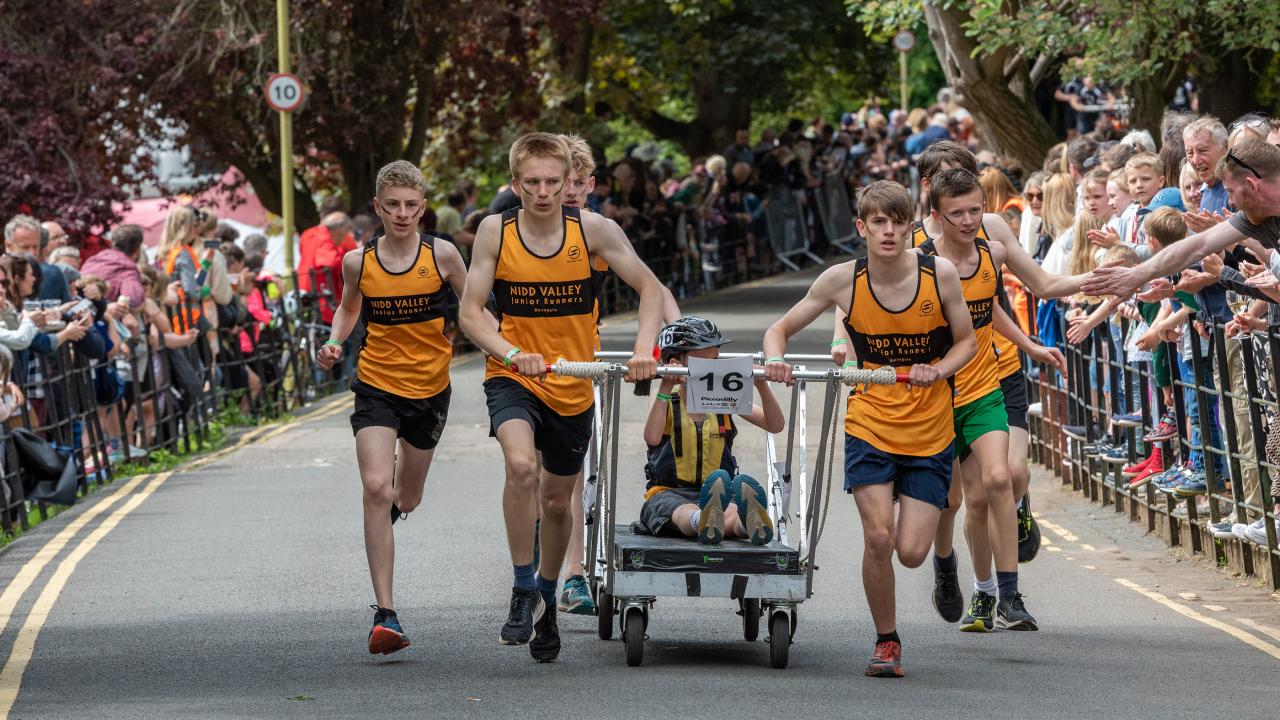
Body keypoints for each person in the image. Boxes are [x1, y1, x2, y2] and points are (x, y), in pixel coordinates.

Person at [458, 132, 661, 663]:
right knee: (521, 467)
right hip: (514, 377)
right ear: (515, 184)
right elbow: (471, 311)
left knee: (556, 499)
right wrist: (507, 351)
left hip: (573, 382)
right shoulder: (493, 232)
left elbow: (651, 289)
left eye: (554, 182)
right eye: (533, 183)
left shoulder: (593, 229)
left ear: (568, 181)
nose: (545, 193)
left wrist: (645, 348)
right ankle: (523, 585)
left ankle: (548, 595)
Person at [764, 180, 976, 678]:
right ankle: (886, 641)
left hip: (928, 428)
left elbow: (966, 342)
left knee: (910, 551)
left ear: (910, 227)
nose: (887, 232)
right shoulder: (842, 280)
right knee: (879, 537)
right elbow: (779, 330)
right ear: (861, 228)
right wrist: (775, 361)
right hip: (870, 422)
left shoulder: (938, 274)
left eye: (897, 222)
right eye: (877, 222)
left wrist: (938, 369)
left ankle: (939, 566)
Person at [315, 160, 480, 656]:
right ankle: (385, 615)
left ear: (423, 207)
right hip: (376, 386)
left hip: (430, 389)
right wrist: (333, 342)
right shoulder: (357, 262)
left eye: (411, 205)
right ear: (378, 208)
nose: (403, 214)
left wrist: (508, 348)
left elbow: (474, 308)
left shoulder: (444, 255)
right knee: (374, 485)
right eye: (393, 206)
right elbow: (348, 308)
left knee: (406, 498)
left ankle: (393, 505)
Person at [913, 168, 1069, 633]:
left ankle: (1011, 597)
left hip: (984, 387)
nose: (967, 220)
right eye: (956, 213)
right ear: (935, 214)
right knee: (964, 500)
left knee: (1002, 478)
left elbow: (989, 306)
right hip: (938, 395)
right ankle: (977, 590)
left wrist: (1031, 345)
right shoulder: (918, 260)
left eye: (975, 210)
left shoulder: (992, 252)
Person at [554, 134, 681, 617]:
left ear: (590, 186)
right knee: (537, 478)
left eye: (578, 183)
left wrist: (682, 336)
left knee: (579, 476)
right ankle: (542, 563)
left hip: (580, 362)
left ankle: (574, 574)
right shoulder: (516, 228)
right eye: (559, 181)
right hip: (526, 365)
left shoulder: (598, 230)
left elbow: (654, 285)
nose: (568, 192)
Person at [642, 316, 784, 544]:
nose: (712, 368)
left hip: (718, 491)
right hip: (668, 491)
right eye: (703, 361)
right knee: (679, 511)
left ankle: (746, 523)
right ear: (675, 361)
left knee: (731, 511)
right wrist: (666, 385)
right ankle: (703, 520)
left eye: (715, 360)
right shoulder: (665, 397)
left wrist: (762, 386)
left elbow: (775, 425)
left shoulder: (723, 394)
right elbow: (652, 437)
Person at [82, 224, 146, 308]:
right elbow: (133, 299)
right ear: (137, 249)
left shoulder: (93, 260)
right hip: (102, 315)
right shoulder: (127, 269)